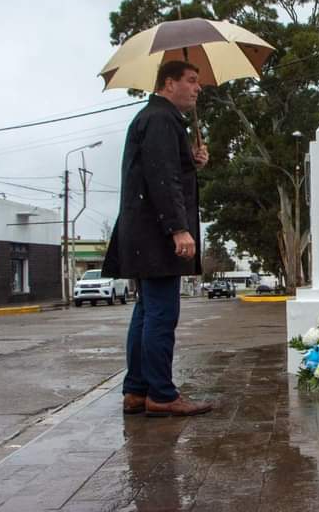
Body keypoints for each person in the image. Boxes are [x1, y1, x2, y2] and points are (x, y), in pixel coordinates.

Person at [103, 59, 213, 417]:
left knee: (147, 312)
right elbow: (162, 178)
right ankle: (162, 395)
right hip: (157, 234)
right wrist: (178, 229)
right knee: (162, 315)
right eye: (192, 80)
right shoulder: (162, 120)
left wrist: (191, 161)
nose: (198, 88)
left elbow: (167, 170)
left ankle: (137, 390)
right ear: (168, 83)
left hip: (143, 232)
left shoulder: (155, 119)